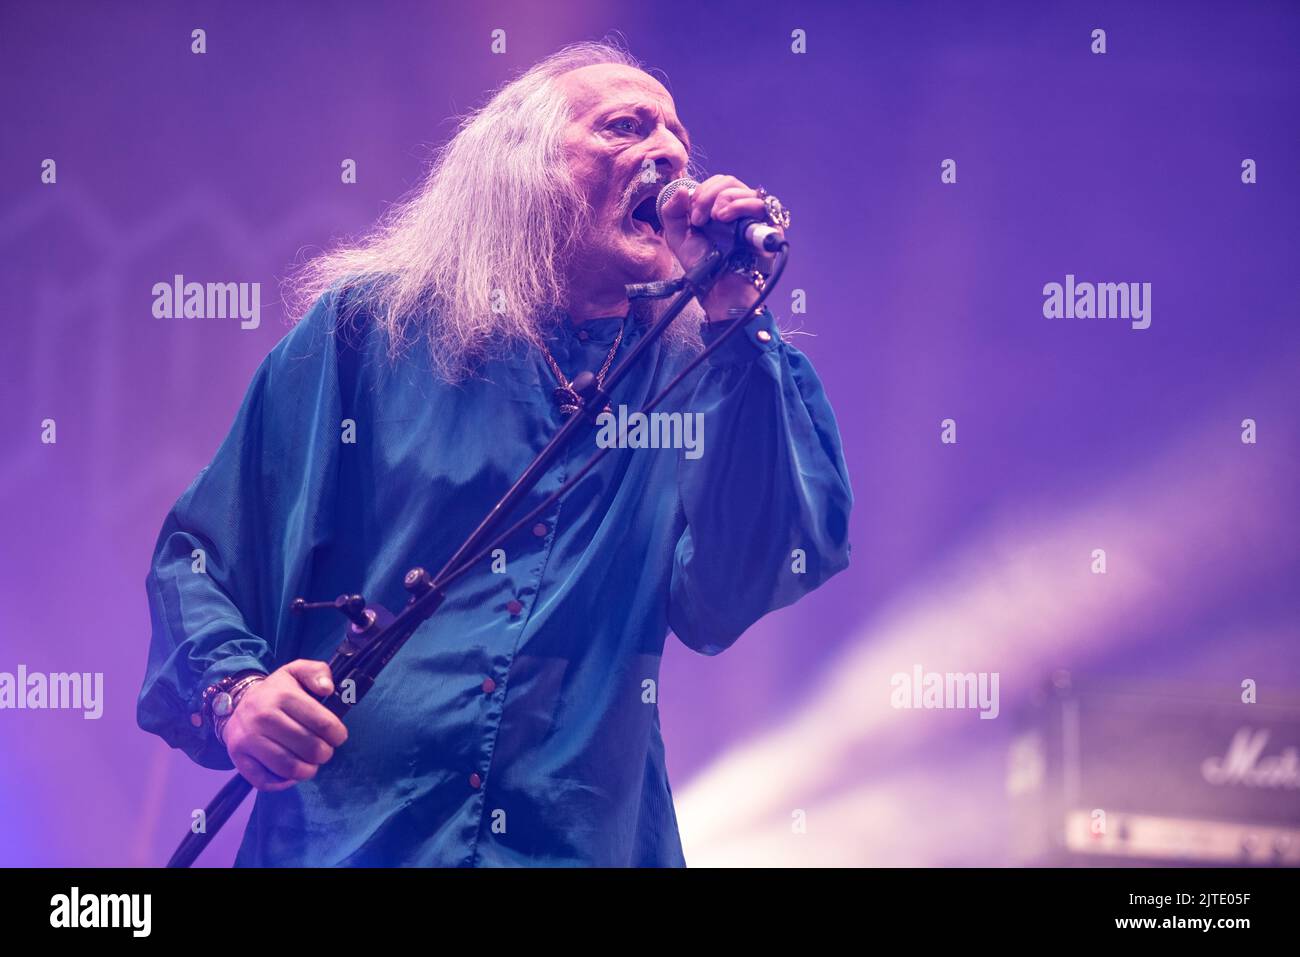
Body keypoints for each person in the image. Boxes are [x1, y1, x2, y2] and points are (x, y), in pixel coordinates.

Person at [138, 40, 852, 866]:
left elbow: (742, 582)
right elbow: (201, 555)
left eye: (678, 141)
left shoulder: (705, 368)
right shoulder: (373, 330)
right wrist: (235, 695)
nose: (669, 153)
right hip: (352, 839)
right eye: (627, 127)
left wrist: (734, 317)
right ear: (519, 169)